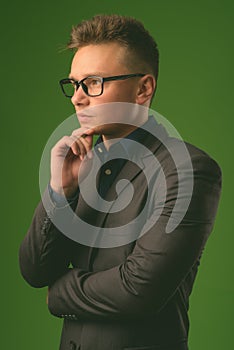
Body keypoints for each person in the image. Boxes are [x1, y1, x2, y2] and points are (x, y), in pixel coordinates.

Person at [19, 14, 222, 350]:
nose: (77, 98)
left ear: (143, 88)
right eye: (74, 84)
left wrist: (58, 293)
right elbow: (35, 271)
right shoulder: (81, 165)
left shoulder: (189, 170)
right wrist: (60, 191)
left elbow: (137, 292)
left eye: (94, 82)